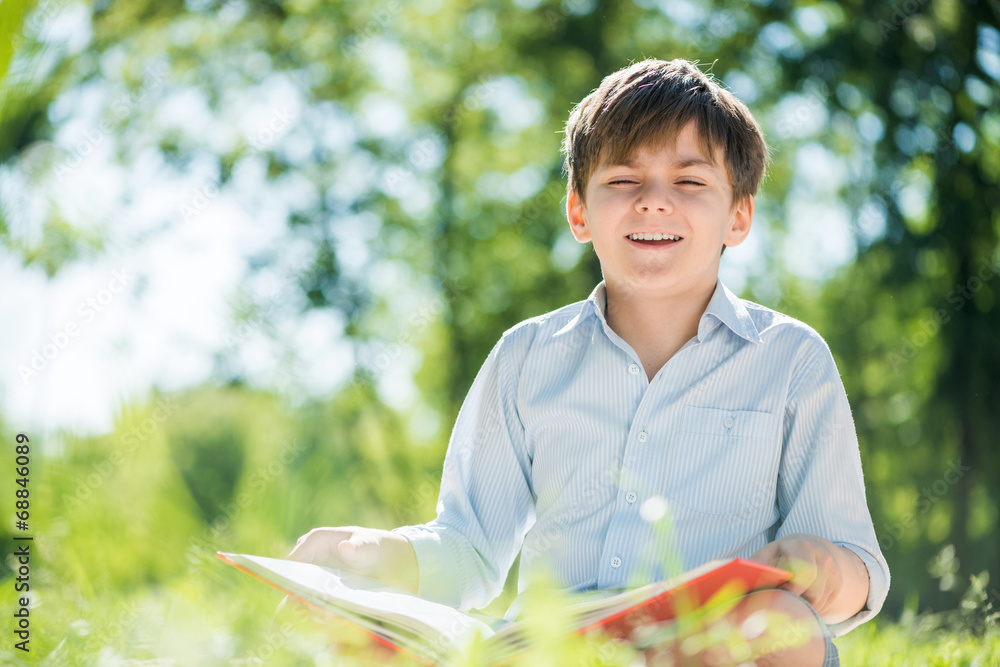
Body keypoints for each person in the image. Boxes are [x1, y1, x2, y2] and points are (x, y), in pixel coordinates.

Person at [287, 58, 890, 666]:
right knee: (367, 636)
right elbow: (469, 546)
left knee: (779, 622)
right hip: (553, 647)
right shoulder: (526, 357)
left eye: (690, 182)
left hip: (704, 643)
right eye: (624, 181)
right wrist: (373, 553)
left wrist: (822, 567)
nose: (654, 203)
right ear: (579, 211)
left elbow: (854, 565)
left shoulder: (791, 359)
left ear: (739, 214)